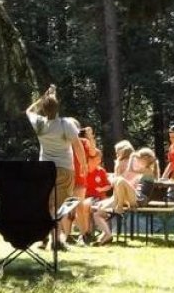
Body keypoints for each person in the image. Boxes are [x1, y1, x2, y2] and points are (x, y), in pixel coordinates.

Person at [26, 84, 85, 250]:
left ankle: (45, 237)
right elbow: (77, 145)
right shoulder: (66, 124)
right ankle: (56, 241)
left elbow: (29, 111)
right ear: (58, 107)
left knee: (47, 205)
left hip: (45, 170)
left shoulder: (39, 124)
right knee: (60, 207)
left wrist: (43, 98)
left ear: (44, 109)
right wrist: (84, 165)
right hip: (65, 169)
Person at [81, 146, 114, 245]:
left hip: (99, 199)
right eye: (96, 159)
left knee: (89, 207)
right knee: (85, 206)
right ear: (89, 159)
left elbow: (109, 186)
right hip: (85, 198)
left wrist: (102, 189)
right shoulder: (84, 170)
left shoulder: (101, 171)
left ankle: (88, 234)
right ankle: (87, 233)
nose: (99, 161)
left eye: (100, 159)